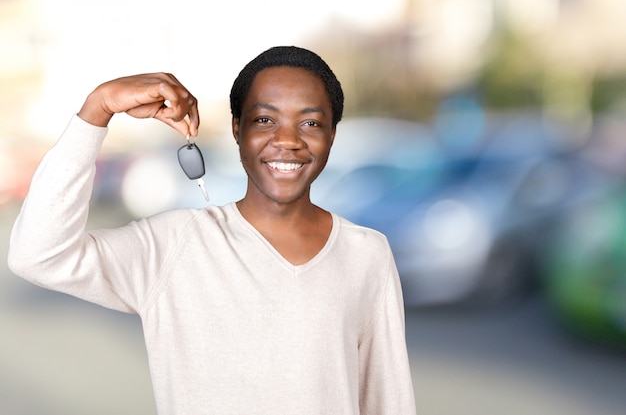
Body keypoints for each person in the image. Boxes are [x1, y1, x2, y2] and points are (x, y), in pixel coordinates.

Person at [8, 46, 416, 415]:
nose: (287, 140)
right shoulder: (175, 246)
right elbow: (38, 254)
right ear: (237, 130)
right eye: (264, 119)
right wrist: (97, 109)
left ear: (332, 136)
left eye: (310, 123)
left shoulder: (367, 254)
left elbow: (387, 401)